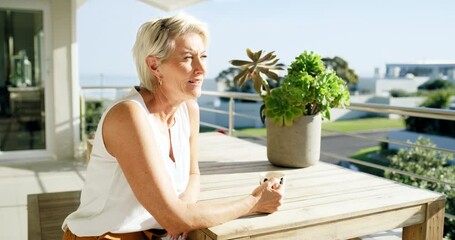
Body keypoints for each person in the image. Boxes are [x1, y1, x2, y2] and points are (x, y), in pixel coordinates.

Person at [62, 14, 283, 240]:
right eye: (188, 58)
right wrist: (254, 202)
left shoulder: (189, 109)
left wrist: (183, 214)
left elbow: (192, 174)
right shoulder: (128, 115)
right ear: (154, 65)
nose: (201, 69)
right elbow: (175, 219)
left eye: (203, 56)